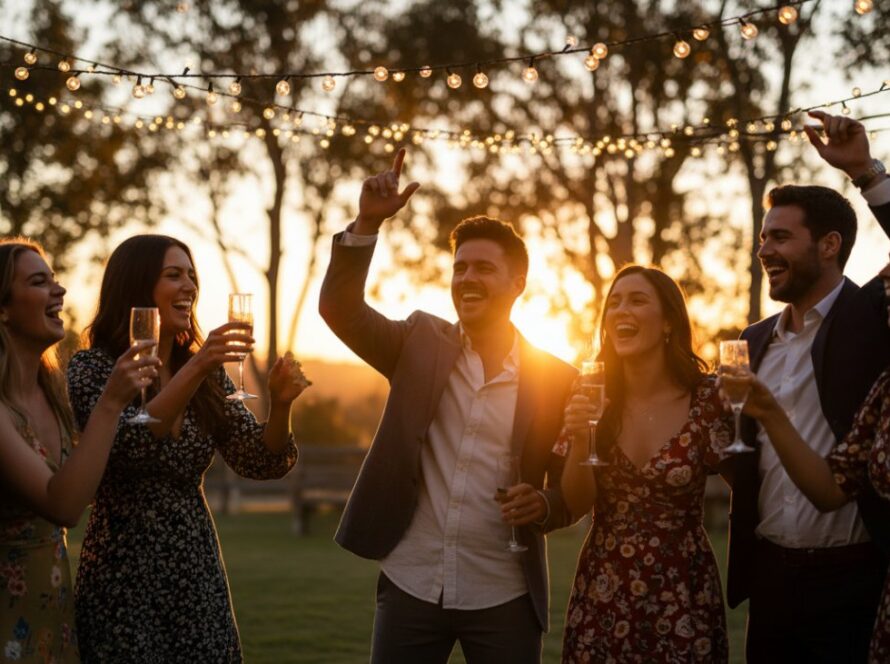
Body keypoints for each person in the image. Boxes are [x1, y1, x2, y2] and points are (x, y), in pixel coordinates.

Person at [318, 148, 577, 663]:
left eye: (484, 268)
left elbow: (572, 488)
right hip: (411, 582)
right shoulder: (419, 342)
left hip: (505, 591)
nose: (467, 278)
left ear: (518, 284)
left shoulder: (557, 380)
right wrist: (367, 224)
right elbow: (340, 310)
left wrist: (546, 505)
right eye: (459, 268)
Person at [67, 234, 308, 663]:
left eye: (192, 276)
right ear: (138, 286)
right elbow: (130, 444)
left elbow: (260, 460)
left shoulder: (205, 376)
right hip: (121, 571)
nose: (190, 287)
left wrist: (282, 403)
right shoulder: (94, 368)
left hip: (195, 569)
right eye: (174, 275)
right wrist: (200, 363)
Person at [725, 110, 890, 662]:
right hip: (771, 580)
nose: (764, 250)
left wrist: (866, 172)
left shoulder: (873, 317)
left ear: (829, 244)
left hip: (855, 579)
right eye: (763, 238)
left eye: (781, 237)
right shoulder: (752, 340)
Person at [558, 265, 733, 663]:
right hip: (603, 585)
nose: (621, 311)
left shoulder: (707, 398)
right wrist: (581, 436)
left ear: (669, 321)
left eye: (637, 301)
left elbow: (749, 483)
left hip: (683, 588)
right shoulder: (590, 391)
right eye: (614, 303)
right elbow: (576, 502)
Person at [0, 238, 159, 663]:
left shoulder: (53, 397)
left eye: (54, 279)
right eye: (39, 282)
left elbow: (83, 485)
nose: (60, 290)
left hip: (56, 618)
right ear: (3, 309)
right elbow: (64, 505)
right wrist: (111, 402)